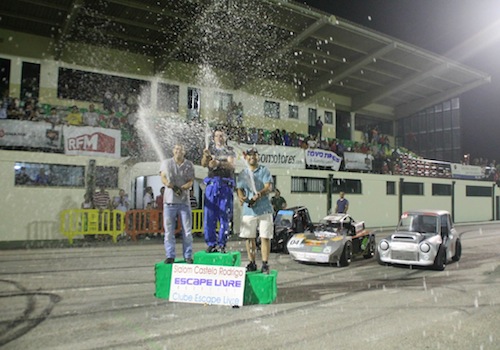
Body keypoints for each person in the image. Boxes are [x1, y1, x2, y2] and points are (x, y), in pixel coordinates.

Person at [237, 147, 274, 274]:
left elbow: (268, 187)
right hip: (249, 210)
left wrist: (259, 194)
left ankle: (264, 263)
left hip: (264, 209)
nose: (252, 157)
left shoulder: (264, 170)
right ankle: (252, 262)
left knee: (265, 237)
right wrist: (241, 197)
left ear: (258, 157)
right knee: (249, 238)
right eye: (249, 155)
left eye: (254, 154)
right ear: (246, 157)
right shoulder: (243, 173)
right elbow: (240, 188)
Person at [201, 128, 236, 253]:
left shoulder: (230, 150)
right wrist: (206, 157)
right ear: (214, 138)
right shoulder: (210, 150)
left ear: (225, 137)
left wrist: (218, 163)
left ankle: (222, 243)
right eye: (217, 136)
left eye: (221, 136)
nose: (219, 138)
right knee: (209, 216)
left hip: (225, 185)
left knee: (224, 216)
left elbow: (232, 165)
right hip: (212, 184)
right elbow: (204, 164)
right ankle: (211, 243)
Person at [160, 143, 195, 264]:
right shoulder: (166, 163)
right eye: (175, 149)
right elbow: (163, 177)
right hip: (169, 202)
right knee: (169, 230)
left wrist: (183, 188)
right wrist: (169, 185)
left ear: (184, 152)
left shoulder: (188, 165)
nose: (177, 151)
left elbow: (191, 181)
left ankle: (188, 255)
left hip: (184, 202)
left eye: (180, 149)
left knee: (187, 230)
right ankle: (170, 255)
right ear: (172, 151)